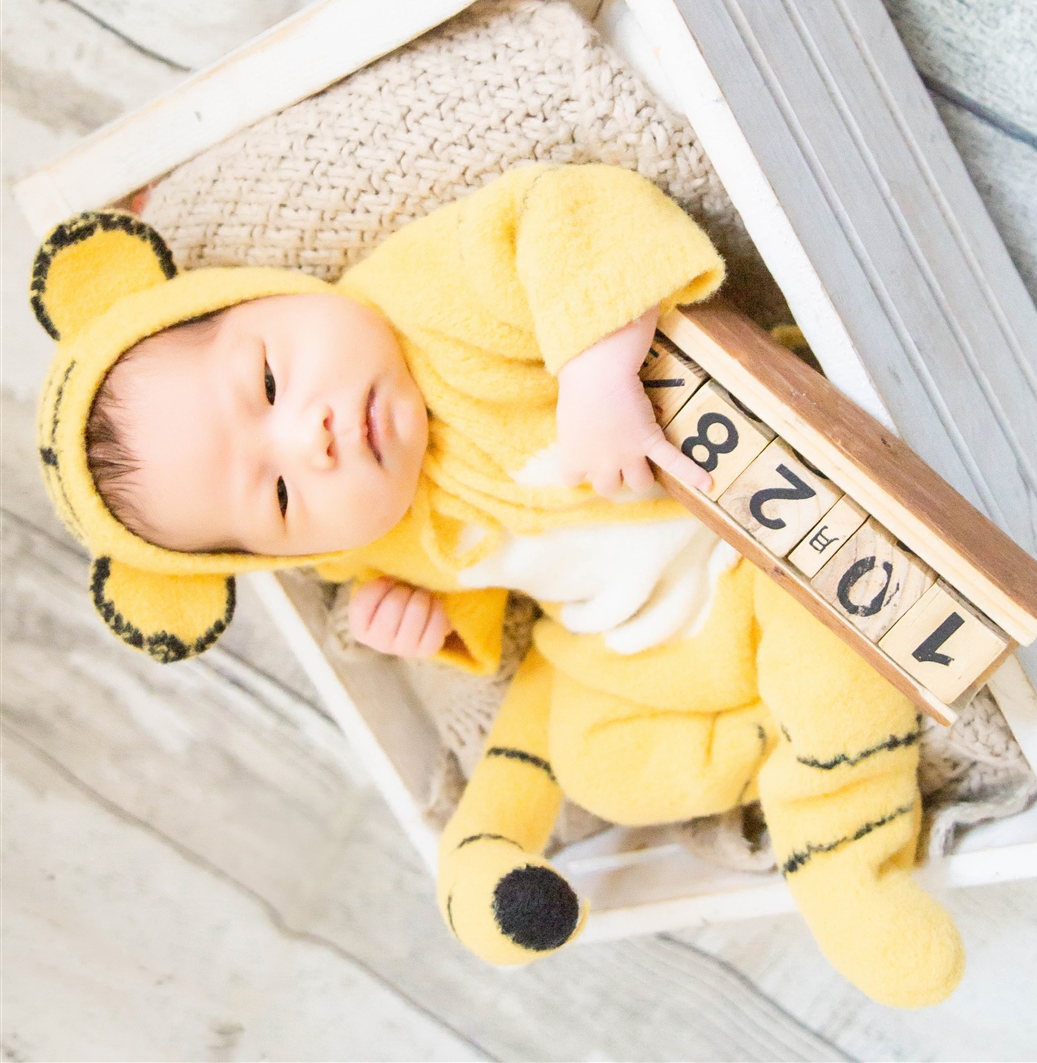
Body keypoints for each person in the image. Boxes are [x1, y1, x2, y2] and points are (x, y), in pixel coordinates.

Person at [39, 162, 963, 1004]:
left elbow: (574, 210)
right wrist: (425, 623)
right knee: (601, 768)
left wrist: (596, 368)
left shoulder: (432, 300)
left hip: (768, 528)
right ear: (281, 557)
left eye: (271, 379)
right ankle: (779, 741)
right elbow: (487, 591)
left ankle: (844, 849)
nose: (308, 439)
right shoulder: (371, 536)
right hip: (631, 642)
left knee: (831, 635)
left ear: (263, 296)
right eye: (279, 495)